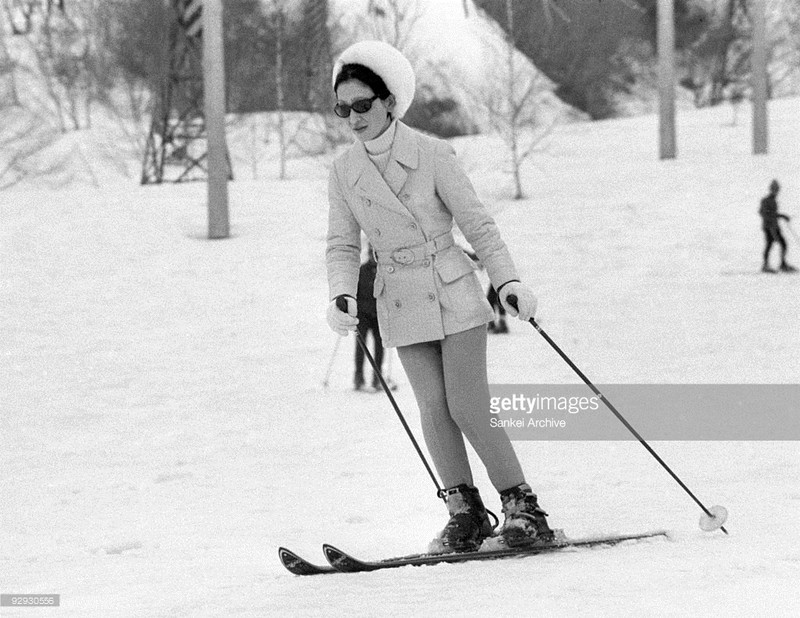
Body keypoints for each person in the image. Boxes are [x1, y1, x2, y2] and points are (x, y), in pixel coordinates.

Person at [324, 40, 553, 553]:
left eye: (363, 105)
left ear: (388, 102)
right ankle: (465, 511)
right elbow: (342, 243)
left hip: (450, 288)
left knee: (467, 404)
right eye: (344, 108)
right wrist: (341, 293)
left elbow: (478, 224)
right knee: (433, 408)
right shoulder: (343, 171)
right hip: (397, 297)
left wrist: (508, 280)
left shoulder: (432, 153)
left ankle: (523, 507)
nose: (354, 118)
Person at [353, 249, 385, 391]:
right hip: (362, 315)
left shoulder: (383, 271)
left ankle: (377, 378)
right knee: (361, 346)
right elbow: (355, 292)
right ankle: (358, 377)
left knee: (379, 346)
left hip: (378, 315)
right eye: (372, 253)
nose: (374, 256)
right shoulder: (361, 270)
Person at [759, 179, 796, 273]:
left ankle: (781, 264)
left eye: (777, 189)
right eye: (774, 189)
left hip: (775, 226)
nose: (776, 191)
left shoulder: (773, 200)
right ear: (771, 189)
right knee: (771, 244)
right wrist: (775, 219)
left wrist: (782, 216)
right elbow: (763, 213)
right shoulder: (766, 200)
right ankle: (766, 265)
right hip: (769, 227)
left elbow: (772, 213)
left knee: (781, 244)